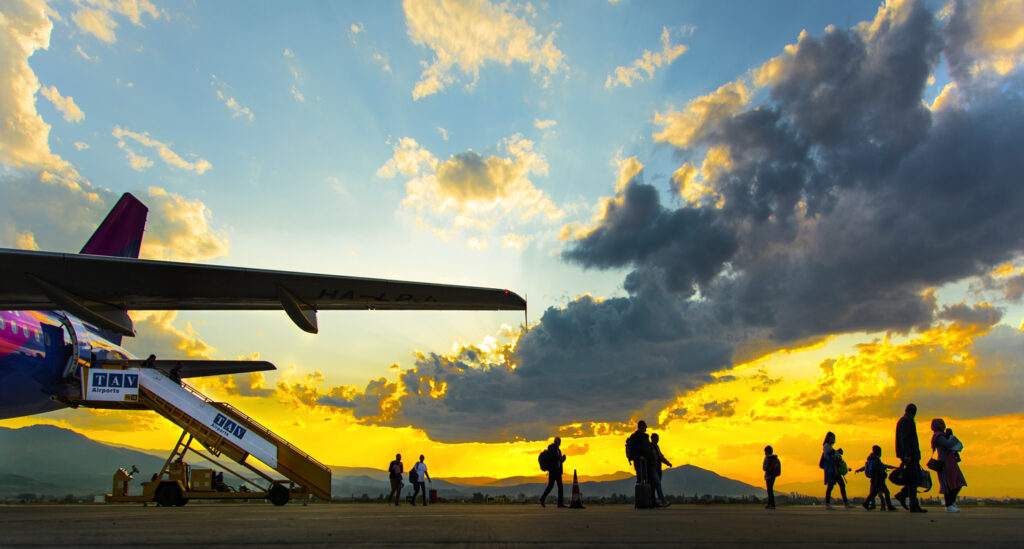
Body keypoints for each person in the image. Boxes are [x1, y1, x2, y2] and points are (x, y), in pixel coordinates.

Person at [895, 403, 927, 512]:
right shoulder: (907, 421)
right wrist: (907, 454)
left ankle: (903, 495)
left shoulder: (903, 420)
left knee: (912, 479)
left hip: (909, 455)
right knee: (915, 480)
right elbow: (905, 438)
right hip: (910, 456)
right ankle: (913, 504)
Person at [931, 418, 967, 513]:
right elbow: (948, 444)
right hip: (945, 462)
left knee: (958, 482)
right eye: (941, 424)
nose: (943, 425)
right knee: (949, 484)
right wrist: (951, 437)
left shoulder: (942, 435)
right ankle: (949, 504)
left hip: (950, 461)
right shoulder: (938, 436)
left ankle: (951, 502)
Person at [626, 421, 659, 508]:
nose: (646, 427)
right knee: (641, 479)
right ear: (640, 426)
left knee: (651, 481)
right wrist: (639, 456)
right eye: (645, 426)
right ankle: (640, 502)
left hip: (648, 462)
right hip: (640, 462)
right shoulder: (635, 437)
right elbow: (633, 450)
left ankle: (651, 502)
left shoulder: (645, 437)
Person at [856, 445, 897, 511]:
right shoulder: (876, 460)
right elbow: (878, 468)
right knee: (883, 492)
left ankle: (867, 503)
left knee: (876, 493)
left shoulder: (872, 459)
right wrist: (884, 472)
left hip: (875, 479)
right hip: (878, 479)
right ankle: (888, 506)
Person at [820, 432, 850, 509]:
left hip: (834, 469)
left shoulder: (829, 446)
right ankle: (828, 504)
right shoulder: (826, 446)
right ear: (828, 438)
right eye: (832, 438)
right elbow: (829, 454)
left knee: (840, 485)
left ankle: (845, 503)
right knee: (832, 486)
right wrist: (837, 452)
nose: (833, 439)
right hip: (831, 469)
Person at [539, 437, 567, 508]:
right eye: (559, 441)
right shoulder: (551, 448)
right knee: (550, 486)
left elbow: (558, 461)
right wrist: (559, 457)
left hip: (558, 471)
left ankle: (560, 503)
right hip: (552, 471)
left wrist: (563, 459)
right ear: (556, 442)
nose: (560, 443)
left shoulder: (558, 450)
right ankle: (542, 498)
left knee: (560, 487)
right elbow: (552, 457)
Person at [650, 433, 672, 507]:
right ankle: (663, 500)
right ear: (653, 439)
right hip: (652, 469)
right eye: (657, 438)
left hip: (657, 469)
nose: (658, 439)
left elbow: (661, 457)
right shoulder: (650, 447)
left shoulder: (657, 447)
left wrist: (667, 463)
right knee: (658, 484)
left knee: (654, 486)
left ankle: (653, 502)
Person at [763, 445, 781, 510]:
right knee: (770, 489)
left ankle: (771, 504)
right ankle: (771, 504)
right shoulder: (774, 458)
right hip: (773, 475)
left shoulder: (767, 458)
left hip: (769, 475)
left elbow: (764, 468)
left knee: (769, 490)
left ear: (767, 451)